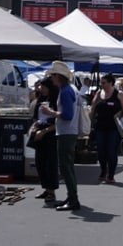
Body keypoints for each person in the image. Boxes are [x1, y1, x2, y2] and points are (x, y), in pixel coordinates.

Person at [45, 61, 82, 211]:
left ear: (57, 76)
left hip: (66, 132)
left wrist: (51, 113)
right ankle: (71, 197)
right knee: (68, 166)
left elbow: (67, 115)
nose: (51, 79)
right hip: (69, 131)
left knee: (66, 166)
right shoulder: (70, 89)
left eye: (52, 76)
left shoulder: (66, 91)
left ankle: (73, 199)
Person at [89, 74, 123, 184]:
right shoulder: (99, 93)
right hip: (99, 127)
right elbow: (93, 109)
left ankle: (111, 174)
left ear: (110, 83)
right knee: (101, 151)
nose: (101, 85)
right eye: (101, 82)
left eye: (103, 83)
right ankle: (103, 170)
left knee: (111, 150)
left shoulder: (119, 95)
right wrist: (90, 123)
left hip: (114, 128)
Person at [30, 77, 59, 203]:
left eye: (44, 87)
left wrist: (45, 131)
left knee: (50, 164)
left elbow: (60, 121)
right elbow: (36, 117)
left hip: (51, 133)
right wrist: (36, 127)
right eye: (41, 87)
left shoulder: (56, 100)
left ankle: (52, 191)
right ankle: (46, 188)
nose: (41, 89)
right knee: (39, 162)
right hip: (39, 132)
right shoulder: (40, 100)